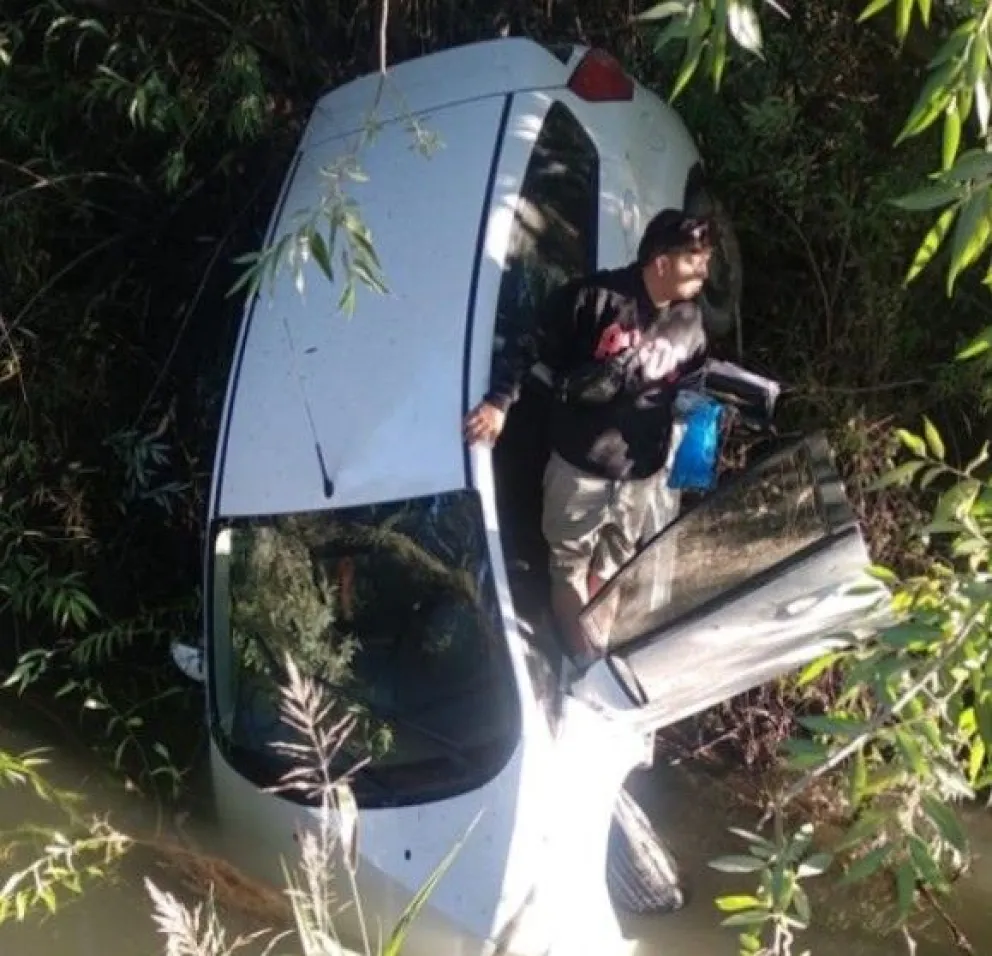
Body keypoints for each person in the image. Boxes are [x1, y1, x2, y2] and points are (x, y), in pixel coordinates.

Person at [463, 208, 714, 662]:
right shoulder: (591, 300)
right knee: (569, 568)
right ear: (661, 261)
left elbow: (693, 378)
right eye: (695, 258)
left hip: (641, 474)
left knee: (616, 565)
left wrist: (695, 424)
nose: (705, 269)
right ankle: (585, 664)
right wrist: (499, 402)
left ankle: (598, 645)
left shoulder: (690, 320)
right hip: (581, 470)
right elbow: (529, 347)